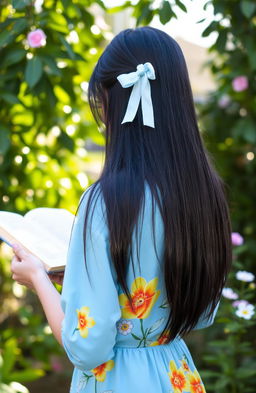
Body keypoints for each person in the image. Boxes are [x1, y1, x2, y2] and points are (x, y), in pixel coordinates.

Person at [11, 26, 232, 393]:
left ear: (114, 103)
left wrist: (37, 277)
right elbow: (203, 312)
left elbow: (88, 347)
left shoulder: (104, 201)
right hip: (176, 374)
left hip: (117, 380)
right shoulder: (204, 192)